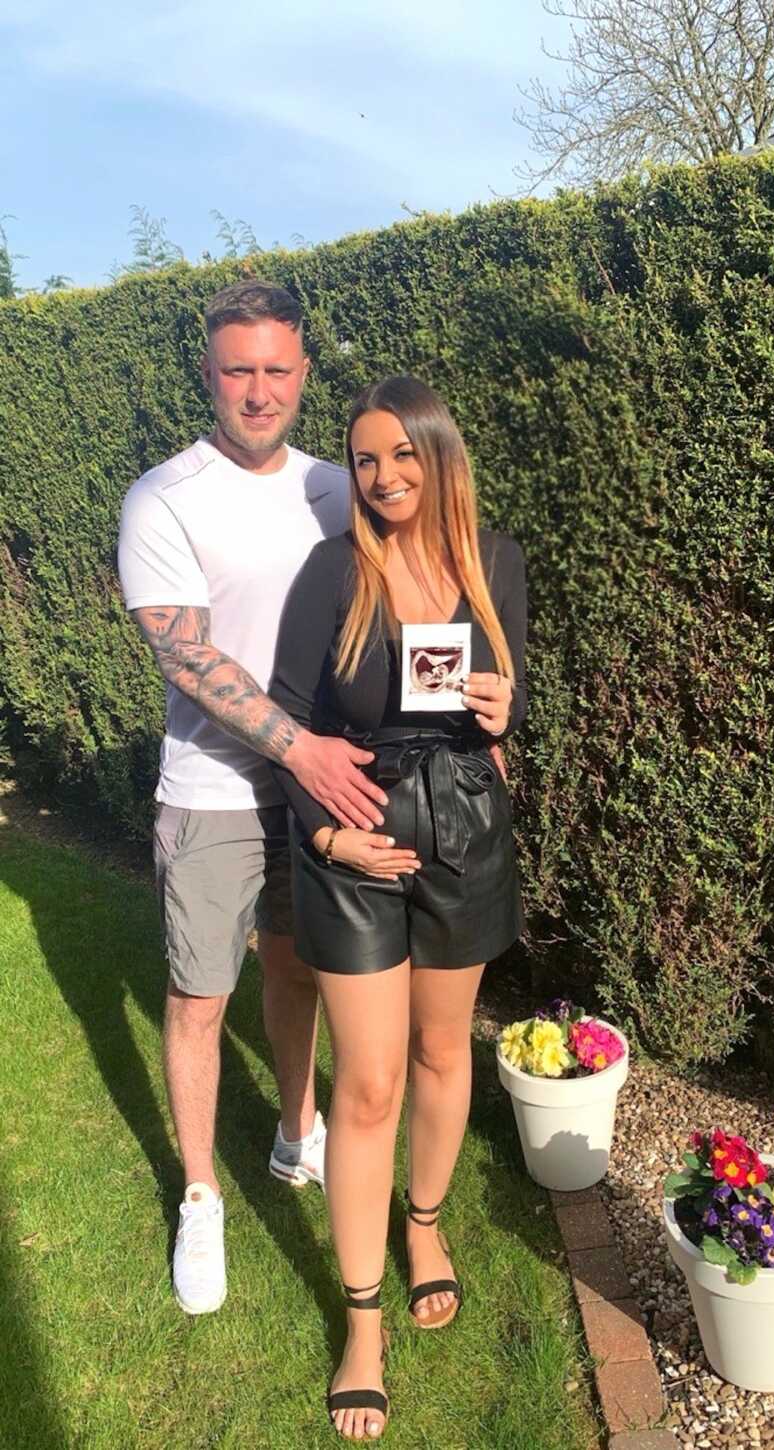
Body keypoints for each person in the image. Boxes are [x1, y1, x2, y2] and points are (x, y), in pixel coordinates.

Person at [117, 280, 391, 1316]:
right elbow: (190, 656)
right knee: (198, 997)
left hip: (319, 777)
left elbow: (407, 590)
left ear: (304, 372)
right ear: (209, 375)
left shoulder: (336, 485)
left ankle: (293, 1131)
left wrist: (476, 702)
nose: (260, 389)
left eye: (278, 368)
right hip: (216, 789)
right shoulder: (164, 496)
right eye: (240, 369)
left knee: (296, 965)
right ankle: (199, 1196)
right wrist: (303, 752)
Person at [269, 374, 527, 1440]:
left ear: (438, 454)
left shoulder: (494, 561)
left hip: (463, 830)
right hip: (353, 839)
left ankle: (426, 1227)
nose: (381, 478)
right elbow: (286, 719)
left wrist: (510, 701)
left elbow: (509, 711)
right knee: (367, 1083)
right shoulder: (334, 570)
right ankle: (363, 1321)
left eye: (400, 456)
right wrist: (326, 833)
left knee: (439, 1053)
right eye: (365, 459)